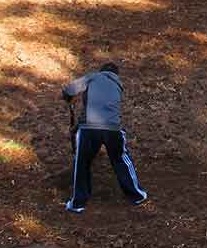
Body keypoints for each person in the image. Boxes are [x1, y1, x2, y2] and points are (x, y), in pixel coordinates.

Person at [61, 62, 148, 211]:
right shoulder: (118, 85)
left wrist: (67, 97)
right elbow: (105, 109)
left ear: (101, 71)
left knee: (82, 162)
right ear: (116, 74)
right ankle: (138, 195)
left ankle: (78, 203)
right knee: (120, 159)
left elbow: (70, 90)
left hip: (89, 128)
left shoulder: (93, 77)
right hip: (113, 128)